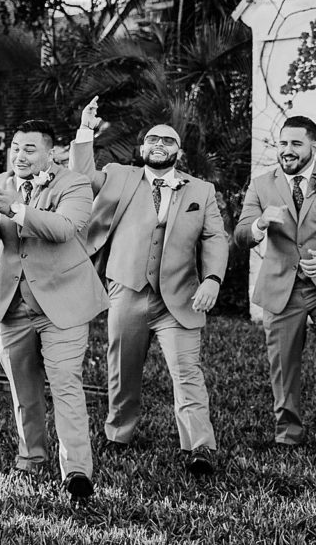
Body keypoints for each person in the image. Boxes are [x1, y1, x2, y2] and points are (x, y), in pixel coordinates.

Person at [69, 98, 228, 475]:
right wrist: (85, 130)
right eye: (153, 139)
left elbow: (216, 238)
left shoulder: (200, 191)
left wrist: (212, 278)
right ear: (143, 149)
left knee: (187, 371)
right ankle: (118, 432)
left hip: (181, 295)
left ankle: (200, 447)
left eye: (168, 140)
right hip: (126, 289)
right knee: (123, 368)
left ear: (179, 152)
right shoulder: (119, 176)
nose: (159, 144)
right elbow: (80, 176)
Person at [0, 119, 108, 501]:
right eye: (15, 147)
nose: (19, 155)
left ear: (51, 153)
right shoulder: (0, 185)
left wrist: (13, 208)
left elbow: (65, 228)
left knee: (65, 384)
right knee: (23, 388)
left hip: (61, 305)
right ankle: (31, 456)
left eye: (29, 149)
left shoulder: (74, 184)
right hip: (13, 304)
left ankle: (77, 470)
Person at [235, 115, 316, 464]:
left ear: (313, 145)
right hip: (282, 286)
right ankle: (288, 431)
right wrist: (261, 223)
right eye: (282, 143)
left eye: (296, 143)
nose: (287, 150)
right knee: (283, 363)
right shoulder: (262, 184)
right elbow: (241, 234)